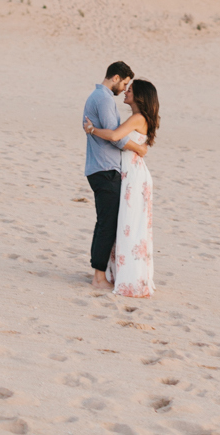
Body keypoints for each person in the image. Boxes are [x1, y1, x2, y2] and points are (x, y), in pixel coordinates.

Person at [85, 80, 159, 298]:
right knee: (129, 224)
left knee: (129, 224)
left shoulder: (137, 118)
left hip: (133, 174)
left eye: (130, 89)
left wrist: (93, 129)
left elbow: (116, 137)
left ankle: (127, 276)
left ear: (140, 96)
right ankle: (122, 273)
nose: (126, 92)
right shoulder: (139, 118)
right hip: (132, 171)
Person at [81, 62, 144, 289]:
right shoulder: (105, 99)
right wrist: (139, 149)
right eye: (125, 83)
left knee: (105, 222)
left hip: (100, 168)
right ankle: (98, 278)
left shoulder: (97, 97)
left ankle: (100, 273)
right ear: (116, 77)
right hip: (105, 169)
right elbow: (116, 137)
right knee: (107, 224)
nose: (125, 88)